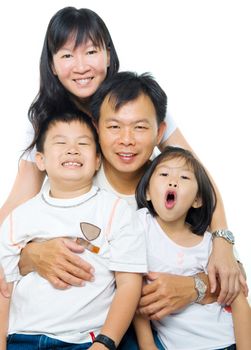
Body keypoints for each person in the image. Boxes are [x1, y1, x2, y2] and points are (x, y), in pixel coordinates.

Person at [0, 6, 244, 307]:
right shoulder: (46, 119)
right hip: (88, 284)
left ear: (108, 54)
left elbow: (195, 176)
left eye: (90, 52)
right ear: (51, 64)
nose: (80, 66)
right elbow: (19, 201)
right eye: (66, 55)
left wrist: (222, 240)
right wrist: (21, 254)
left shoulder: (140, 102)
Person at [0, 111, 146, 349]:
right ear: (40, 160)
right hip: (21, 337)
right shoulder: (19, 217)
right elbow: (4, 290)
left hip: (84, 339)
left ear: (98, 160)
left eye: (83, 143)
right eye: (60, 142)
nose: (72, 149)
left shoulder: (115, 211)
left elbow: (129, 284)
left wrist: (105, 343)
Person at [134, 145, 251, 350]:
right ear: (147, 192)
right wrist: (147, 345)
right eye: (164, 174)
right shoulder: (140, 225)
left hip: (228, 340)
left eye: (184, 178)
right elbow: (134, 290)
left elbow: (239, 300)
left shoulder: (209, 244)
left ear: (197, 200)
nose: (173, 181)